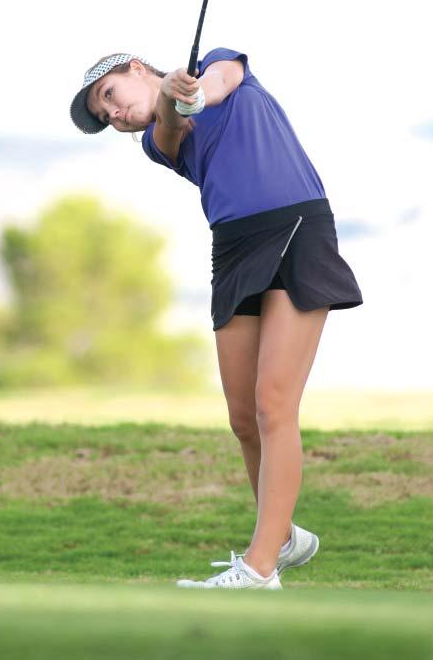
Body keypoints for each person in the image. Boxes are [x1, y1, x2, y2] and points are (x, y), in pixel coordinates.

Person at [69, 47, 363, 591]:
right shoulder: (156, 142)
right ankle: (284, 537)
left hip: (296, 225)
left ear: (136, 68)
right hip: (233, 247)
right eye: (105, 117)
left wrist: (195, 90)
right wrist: (175, 100)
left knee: (274, 403)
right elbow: (172, 127)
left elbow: (223, 80)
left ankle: (260, 567)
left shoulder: (217, 64)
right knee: (243, 417)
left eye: (109, 96)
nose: (114, 114)